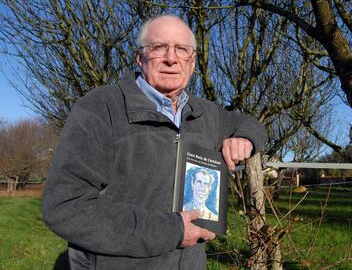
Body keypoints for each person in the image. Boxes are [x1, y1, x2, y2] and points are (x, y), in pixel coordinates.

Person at [42, 14, 266, 269]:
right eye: (159, 47)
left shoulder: (206, 113)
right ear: (139, 57)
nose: (171, 58)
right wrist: (172, 230)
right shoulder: (101, 107)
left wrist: (245, 138)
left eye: (182, 50)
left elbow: (251, 124)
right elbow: (65, 206)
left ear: (192, 63)